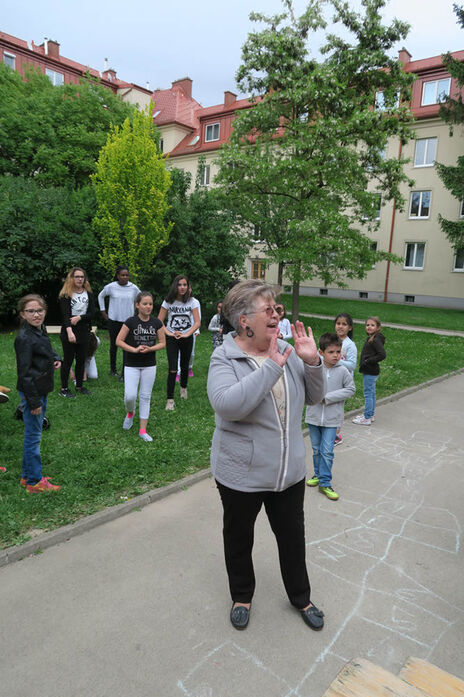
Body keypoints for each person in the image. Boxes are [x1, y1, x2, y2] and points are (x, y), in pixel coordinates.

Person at [207, 279, 326, 631]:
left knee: (292, 538)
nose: (276, 315)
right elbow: (229, 406)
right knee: (239, 537)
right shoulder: (224, 357)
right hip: (241, 473)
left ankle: (301, 597)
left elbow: (315, 397)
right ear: (244, 320)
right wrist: (272, 366)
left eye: (277, 309)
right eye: (268, 310)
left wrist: (314, 361)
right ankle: (242, 595)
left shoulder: (287, 351)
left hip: (287, 472)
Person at [14, 294, 61, 493]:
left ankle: (27, 476)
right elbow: (24, 374)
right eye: (31, 311)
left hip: (40, 388)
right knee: (34, 437)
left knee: (32, 435)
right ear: (23, 314)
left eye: (39, 311)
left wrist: (55, 357)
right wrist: (33, 402)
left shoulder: (38, 330)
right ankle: (34, 482)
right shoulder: (24, 338)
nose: (36, 315)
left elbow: (45, 349)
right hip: (32, 391)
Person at [306, 332, 355, 501]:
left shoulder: (343, 370)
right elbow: (306, 385)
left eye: (338, 351)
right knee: (317, 449)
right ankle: (318, 474)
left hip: (332, 420)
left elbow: (350, 389)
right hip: (313, 417)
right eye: (331, 352)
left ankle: (325, 483)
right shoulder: (314, 368)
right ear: (321, 352)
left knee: (327, 452)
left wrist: (328, 397)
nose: (336, 355)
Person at [116, 292, 165, 442]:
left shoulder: (157, 323)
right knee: (130, 396)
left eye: (150, 304)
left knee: (145, 396)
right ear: (137, 305)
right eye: (145, 304)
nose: (148, 306)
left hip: (149, 365)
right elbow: (119, 341)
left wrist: (151, 349)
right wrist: (134, 349)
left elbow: (162, 343)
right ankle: (130, 412)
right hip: (131, 364)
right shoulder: (130, 322)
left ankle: (142, 430)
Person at [158, 275, 201, 410]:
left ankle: (183, 388)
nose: (182, 287)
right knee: (172, 368)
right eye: (180, 285)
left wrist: (187, 334)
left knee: (184, 364)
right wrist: (169, 333)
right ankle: (170, 400)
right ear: (175, 286)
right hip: (172, 338)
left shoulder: (192, 302)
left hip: (186, 337)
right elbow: (159, 320)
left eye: (185, 285)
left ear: (188, 287)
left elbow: (197, 322)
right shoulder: (168, 302)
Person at [98, 266, 141, 378]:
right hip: (113, 321)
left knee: (126, 347)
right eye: (122, 275)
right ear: (118, 276)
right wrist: (103, 312)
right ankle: (113, 369)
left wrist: (137, 314)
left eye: (127, 275)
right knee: (114, 345)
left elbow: (141, 299)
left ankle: (124, 373)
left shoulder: (134, 288)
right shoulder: (111, 287)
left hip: (128, 323)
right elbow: (100, 296)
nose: (125, 277)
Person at [59, 267, 95, 398]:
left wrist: (80, 317)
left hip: (84, 330)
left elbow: (92, 313)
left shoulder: (89, 294)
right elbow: (65, 315)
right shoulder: (66, 295)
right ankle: (63, 388)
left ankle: (79, 386)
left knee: (81, 360)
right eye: (77, 277)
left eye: (82, 277)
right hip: (69, 330)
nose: (80, 279)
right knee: (68, 360)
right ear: (72, 278)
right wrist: (69, 332)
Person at [352, 316, 386, 426]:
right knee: (371, 393)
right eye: (367, 325)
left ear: (378, 327)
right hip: (371, 370)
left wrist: (368, 360)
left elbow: (382, 354)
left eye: (372, 325)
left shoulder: (375, 340)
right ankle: (370, 415)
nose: (369, 327)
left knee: (368, 394)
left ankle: (366, 418)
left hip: (370, 370)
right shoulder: (372, 338)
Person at [333, 312, 357, 445]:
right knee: (330, 406)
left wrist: (336, 361)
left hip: (343, 382)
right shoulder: (332, 341)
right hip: (331, 379)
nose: (340, 327)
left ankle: (336, 435)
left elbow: (352, 365)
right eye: (338, 323)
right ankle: (329, 431)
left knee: (338, 408)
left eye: (344, 324)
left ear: (350, 328)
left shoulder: (349, 345)